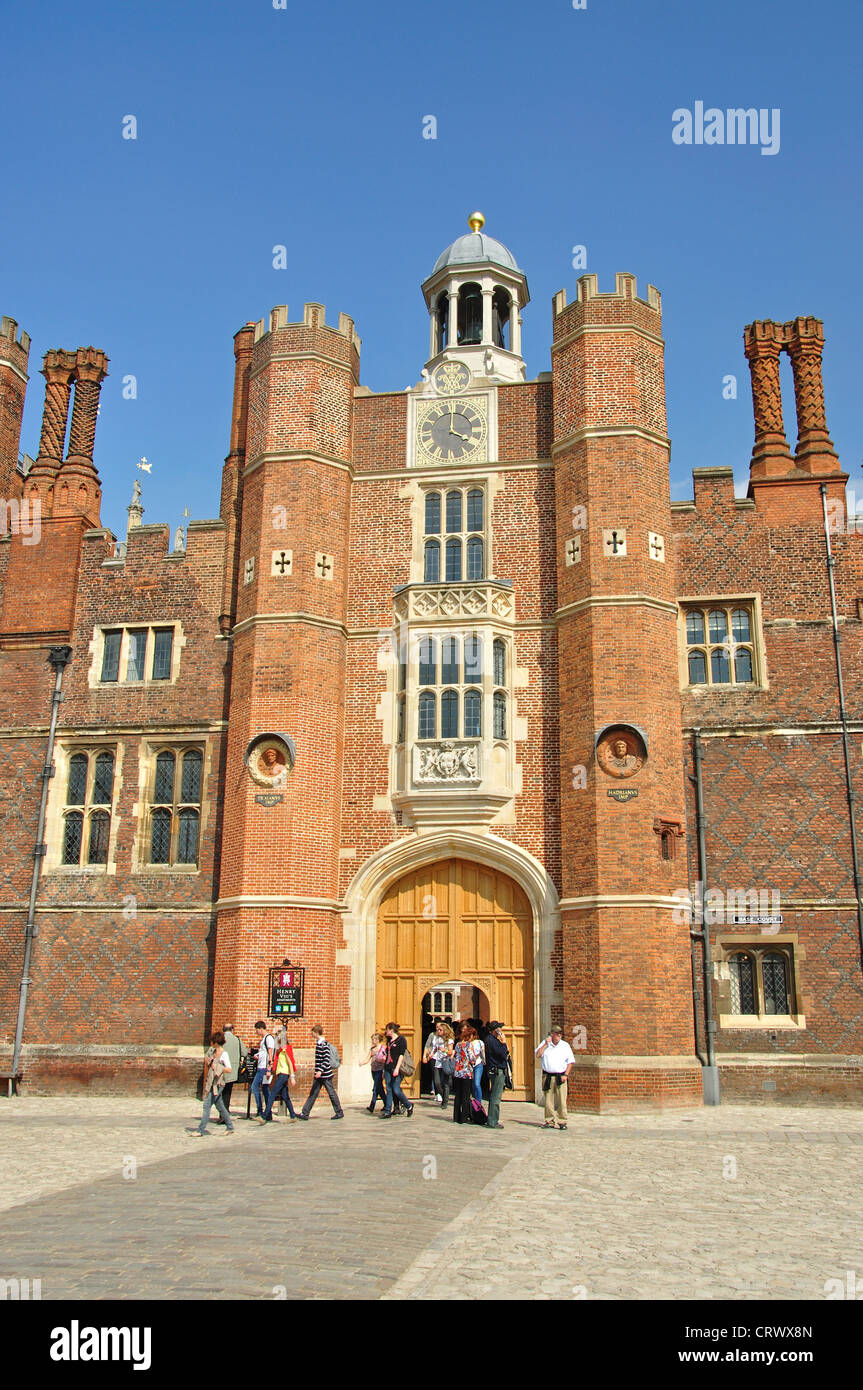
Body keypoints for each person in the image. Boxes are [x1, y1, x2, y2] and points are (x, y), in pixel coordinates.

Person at [190, 1031, 234, 1136]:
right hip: (211, 1082)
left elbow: (229, 1069)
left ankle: (200, 1130)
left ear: (216, 1042)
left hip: (218, 1084)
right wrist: (209, 1062)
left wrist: (217, 1067)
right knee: (220, 1106)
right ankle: (230, 1126)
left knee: (206, 1105)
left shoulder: (224, 1054)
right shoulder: (213, 1052)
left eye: (213, 1042)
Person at [296, 1024, 344, 1120]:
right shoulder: (318, 1043)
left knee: (331, 1093)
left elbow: (326, 1059)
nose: (312, 1034)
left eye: (313, 1032)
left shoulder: (324, 1044)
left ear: (316, 1032)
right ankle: (305, 1113)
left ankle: (339, 1112)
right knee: (313, 1093)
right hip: (319, 1075)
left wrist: (320, 1071)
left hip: (325, 1075)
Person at [535, 1024, 576, 1129]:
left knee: (562, 1100)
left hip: (561, 1076)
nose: (559, 1036)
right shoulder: (545, 1044)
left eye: (560, 1034)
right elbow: (538, 1055)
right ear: (552, 1034)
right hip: (548, 1076)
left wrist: (566, 1075)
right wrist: (545, 1045)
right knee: (549, 1100)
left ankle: (562, 1121)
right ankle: (549, 1121)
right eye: (557, 1034)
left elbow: (570, 1062)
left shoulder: (565, 1045)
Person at [262, 1033, 298, 1122]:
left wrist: (292, 1077)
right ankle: (293, 1115)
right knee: (285, 1096)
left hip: (284, 1074)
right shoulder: (281, 1050)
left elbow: (290, 1063)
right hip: (281, 1074)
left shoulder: (285, 1049)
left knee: (272, 1093)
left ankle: (265, 1115)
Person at [381, 1022, 413, 1118]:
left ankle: (409, 1105)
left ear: (391, 1030)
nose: (385, 1032)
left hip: (396, 1068)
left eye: (387, 1029)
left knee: (396, 1089)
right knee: (389, 1089)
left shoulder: (401, 1040)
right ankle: (387, 1111)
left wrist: (397, 1068)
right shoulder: (389, 1041)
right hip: (387, 1067)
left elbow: (401, 1055)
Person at [452, 1024, 481, 1124]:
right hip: (466, 1072)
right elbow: (472, 1058)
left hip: (458, 1071)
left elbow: (455, 1055)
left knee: (458, 1095)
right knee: (465, 1095)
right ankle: (464, 1117)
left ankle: (456, 1116)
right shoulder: (469, 1045)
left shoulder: (458, 1044)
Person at [485, 1022, 510, 1130]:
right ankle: (493, 1121)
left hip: (494, 1070)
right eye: (500, 1028)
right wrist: (504, 1042)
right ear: (495, 1030)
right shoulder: (492, 1041)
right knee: (496, 1096)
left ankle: (492, 1119)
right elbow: (503, 1054)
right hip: (497, 1070)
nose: (501, 1030)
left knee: (495, 1095)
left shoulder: (491, 1039)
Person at [219, 1023, 247, 1120]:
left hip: (220, 1070)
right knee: (227, 1092)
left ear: (223, 1029)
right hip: (232, 1070)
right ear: (232, 1030)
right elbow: (244, 1052)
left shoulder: (220, 1039)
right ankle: (225, 1113)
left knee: (219, 1092)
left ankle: (222, 1114)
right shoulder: (237, 1040)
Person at [423, 1021, 454, 1107]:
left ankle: (445, 1101)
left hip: (445, 1061)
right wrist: (429, 1056)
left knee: (445, 1083)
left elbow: (451, 1052)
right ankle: (443, 1094)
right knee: (437, 1082)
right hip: (437, 1061)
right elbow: (435, 1049)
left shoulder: (449, 1040)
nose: (438, 1031)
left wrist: (445, 1050)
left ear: (445, 1031)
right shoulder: (436, 1038)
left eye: (440, 1030)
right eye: (438, 1029)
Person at [251, 1020, 275, 1120]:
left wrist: (269, 1068)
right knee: (265, 1089)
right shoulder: (264, 1039)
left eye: (257, 1030)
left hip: (263, 1068)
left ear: (261, 1029)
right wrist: (258, 1055)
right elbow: (264, 1052)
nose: (256, 1032)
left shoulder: (268, 1038)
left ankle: (260, 1110)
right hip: (262, 1066)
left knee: (254, 1087)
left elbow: (270, 1052)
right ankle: (268, 1113)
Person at [361, 1032, 388, 1112]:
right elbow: (367, 1058)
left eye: (373, 1039)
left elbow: (385, 1059)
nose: (372, 1041)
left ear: (377, 1040)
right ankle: (386, 1104)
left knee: (376, 1088)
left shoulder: (383, 1048)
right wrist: (362, 1063)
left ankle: (371, 1106)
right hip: (373, 1070)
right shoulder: (372, 1049)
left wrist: (384, 1069)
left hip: (380, 1071)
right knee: (380, 1089)